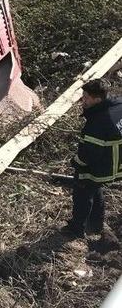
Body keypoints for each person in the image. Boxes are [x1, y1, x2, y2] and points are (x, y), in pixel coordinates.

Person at [64, 78, 122, 238]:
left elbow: (89, 154)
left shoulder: (96, 123)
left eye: (86, 97)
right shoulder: (118, 105)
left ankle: (77, 228)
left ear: (97, 99)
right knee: (95, 188)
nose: (83, 100)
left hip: (100, 165)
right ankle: (96, 224)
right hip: (113, 162)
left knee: (82, 193)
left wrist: (76, 163)